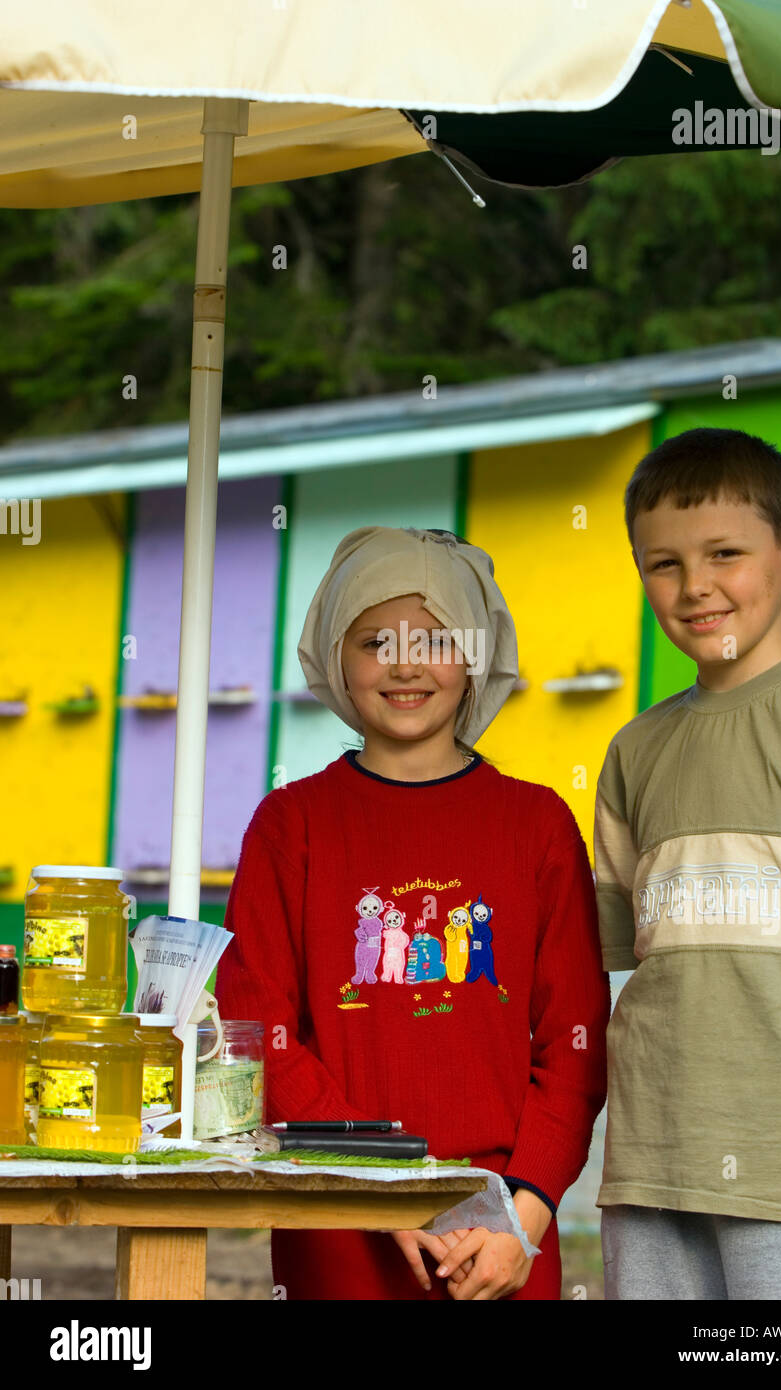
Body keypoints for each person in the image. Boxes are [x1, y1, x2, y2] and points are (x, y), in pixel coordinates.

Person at [216, 525, 609, 1300]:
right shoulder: (290, 824)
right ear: (336, 656)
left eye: (434, 639)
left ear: (476, 655)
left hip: (502, 1229)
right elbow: (258, 1025)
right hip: (338, 1214)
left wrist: (519, 1219)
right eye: (374, 641)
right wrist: (381, 1185)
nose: (403, 663)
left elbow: (575, 1042)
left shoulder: (536, 825)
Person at [594, 427, 781, 1300]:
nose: (694, 586)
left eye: (723, 554)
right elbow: (623, 963)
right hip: (656, 1158)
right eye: (661, 564)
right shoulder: (633, 751)